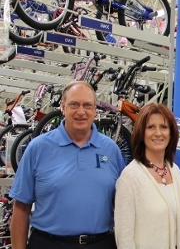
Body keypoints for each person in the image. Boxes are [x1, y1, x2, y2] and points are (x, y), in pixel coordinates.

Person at [10, 81, 125, 249]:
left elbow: (123, 204)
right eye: (74, 105)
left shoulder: (111, 150)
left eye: (87, 105)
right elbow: (21, 209)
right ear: (63, 107)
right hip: (49, 243)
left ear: (95, 110)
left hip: (100, 243)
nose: (81, 112)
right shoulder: (38, 148)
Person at [114, 103, 180, 249]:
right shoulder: (130, 177)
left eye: (163, 127)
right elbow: (124, 237)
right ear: (141, 133)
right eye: (151, 127)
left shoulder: (174, 170)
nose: (158, 133)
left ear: (171, 133)